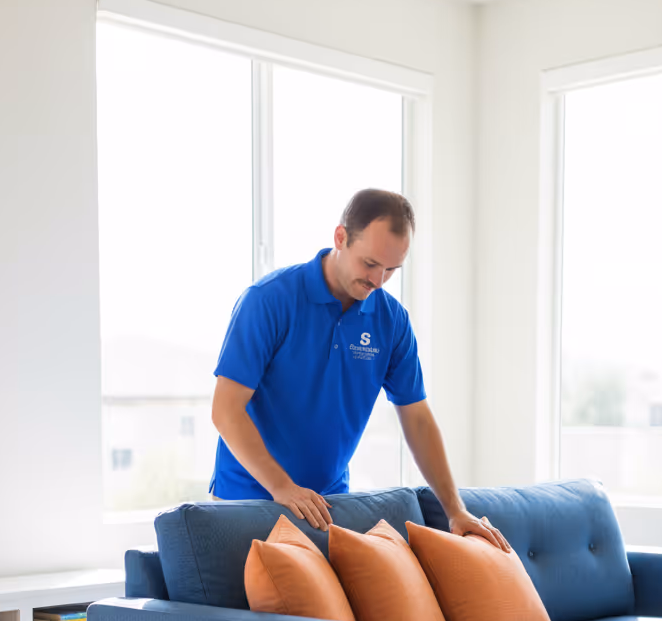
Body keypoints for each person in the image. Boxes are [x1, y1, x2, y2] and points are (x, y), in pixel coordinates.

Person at [209, 188, 510, 552]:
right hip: (248, 502)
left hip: (327, 507)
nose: (378, 281)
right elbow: (225, 409)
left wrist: (455, 510)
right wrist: (282, 487)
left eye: (391, 270)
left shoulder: (391, 320)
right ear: (340, 237)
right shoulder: (268, 300)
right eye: (370, 264)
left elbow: (417, 419)